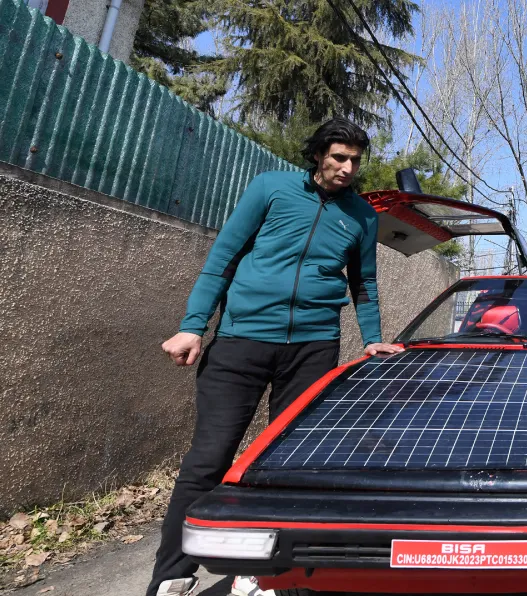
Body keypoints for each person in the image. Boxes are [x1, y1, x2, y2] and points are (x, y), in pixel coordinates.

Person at [148, 118, 404, 596]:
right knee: (209, 460)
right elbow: (224, 255)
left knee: (286, 465)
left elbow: (363, 284)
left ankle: (265, 574)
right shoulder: (271, 188)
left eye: (355, 160)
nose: (347, 168)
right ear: (318, 155)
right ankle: (172, 578)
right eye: (338, 157)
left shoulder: (362, 216)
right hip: (241, 343)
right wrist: (192, 325)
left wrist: (372, 338)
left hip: (311, 350)